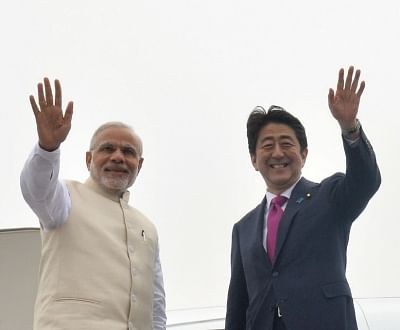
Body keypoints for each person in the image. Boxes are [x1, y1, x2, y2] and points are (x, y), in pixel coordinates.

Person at [225, 66, 381, 330]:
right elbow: (238, 305)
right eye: (267, 145)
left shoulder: (329, 197)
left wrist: (349, 128)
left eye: (286, 144)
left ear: (304, 154)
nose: (277, 153)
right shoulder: (244, 229)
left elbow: (366, 181)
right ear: (254, 160)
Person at [20, 78, 166, 330]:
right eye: (107, 148)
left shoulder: (147, 228)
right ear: (89, 159)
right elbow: (36, 190)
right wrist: (48, 148)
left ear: (139, 165)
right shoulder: (65, 198)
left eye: (128, 152)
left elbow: (156, 306)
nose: (118, 157)